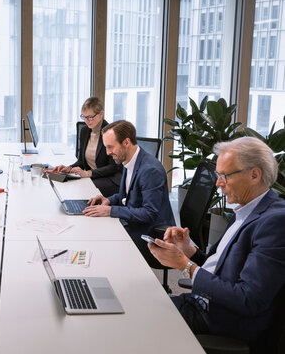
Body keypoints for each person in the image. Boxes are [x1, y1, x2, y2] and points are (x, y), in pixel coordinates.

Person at [148, 137, 285, 352]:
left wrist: (186, 266)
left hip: (221, 324)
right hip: (202, 304)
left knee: (134, 323)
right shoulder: (246, 209)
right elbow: (223, 269)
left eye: (225, 176)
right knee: (135, 306)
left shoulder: (275, 222)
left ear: (254, 175)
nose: (218, 183)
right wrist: (189, 252)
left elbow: (248, 299)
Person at [82, 120, 175, 267]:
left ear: (126, 142)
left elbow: (149, 213)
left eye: (110, 147)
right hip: (135, 225)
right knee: (92, 230)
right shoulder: (128, 160)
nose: (107, 153)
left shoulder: (150, 170)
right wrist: (109, 200)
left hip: (151, 236)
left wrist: (111, 210)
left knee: (99, 242)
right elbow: (128, 196)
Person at [53, 97, 123, 196]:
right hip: (94, 177)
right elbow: (81, 161)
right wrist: (69, 168)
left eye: (90, 117)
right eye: (84, 117)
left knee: (79, 186)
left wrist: (88, 173)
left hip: (110, 179)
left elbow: (113, 167)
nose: (87, 121)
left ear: (101, 114)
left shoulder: (111, 133)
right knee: (66, 181)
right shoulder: (85, 131)